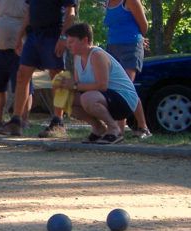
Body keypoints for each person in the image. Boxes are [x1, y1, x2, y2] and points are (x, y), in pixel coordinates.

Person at [0, 0, 77, 137]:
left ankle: (58, 122)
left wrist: (63, 37)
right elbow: (29, 11)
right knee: (22, 74)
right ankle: (16, 121)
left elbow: (71, 13)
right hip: (33, 35)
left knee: (57, 75)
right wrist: (20, 36)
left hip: (53, 33)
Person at [61, 23, 140, 144]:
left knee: (87, 98)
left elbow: (102, 85)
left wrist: (74, 85)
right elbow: (79, 86)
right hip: (103, 97)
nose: (68, 45)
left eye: (72, 42)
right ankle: (98, 128)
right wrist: (64, 86)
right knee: (67, 99)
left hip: (124, 100)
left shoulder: (97, 55)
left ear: (85, 40)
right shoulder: (77, 58)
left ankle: (114, 129)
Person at [104, 0, 152, 138]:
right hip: (112, 47)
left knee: (125, 87)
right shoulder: (107, 3)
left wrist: (138, 39)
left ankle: (143, 127)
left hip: (130, 47)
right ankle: (119, 129)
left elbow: (144, 25)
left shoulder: (130, 1)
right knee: (114, 87)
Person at [0, 0, 33, 128]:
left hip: (19, 50)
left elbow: (32, 22)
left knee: (23, 85)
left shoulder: (28, 1)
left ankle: (23, 120)